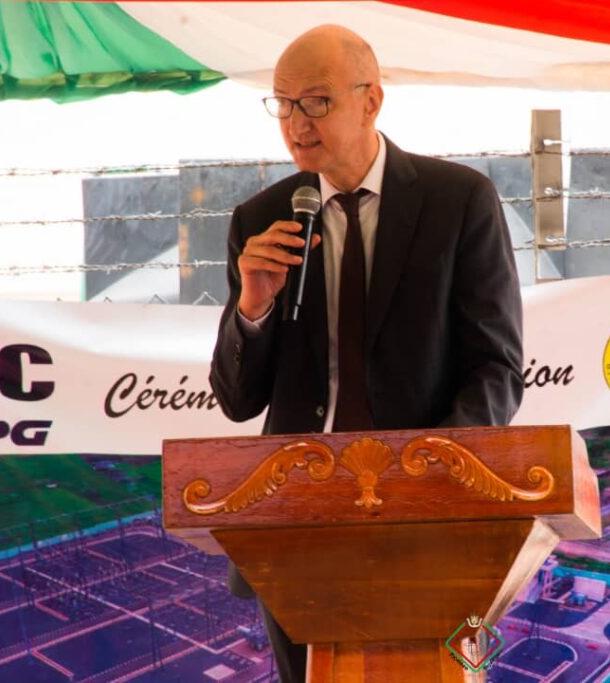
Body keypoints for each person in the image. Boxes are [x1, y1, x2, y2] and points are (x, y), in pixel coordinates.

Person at [208, 25, 523, 682]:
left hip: (425, 515)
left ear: (371, 100)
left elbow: (495, 367)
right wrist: (253, 307)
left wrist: (430, 474)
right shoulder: (262, 218)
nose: (297, 123)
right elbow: (238, 400)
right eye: (283, 103)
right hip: (296, 525)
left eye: (316, 102)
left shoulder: (456, 199)